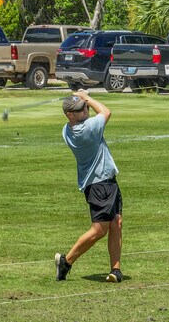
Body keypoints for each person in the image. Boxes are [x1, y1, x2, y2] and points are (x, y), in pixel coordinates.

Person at [55, 90, 123, 282]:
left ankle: (115, 270)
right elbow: (106, 112)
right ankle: (66, 261)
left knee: (116, 222)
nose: (85, 110)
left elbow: (93, 114)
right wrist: (87, 97)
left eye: (84, 107)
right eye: (81, 109)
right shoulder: (86, 130)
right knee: (99, 229)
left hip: (106, 180)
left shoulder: (67, 129)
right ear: (70, 115)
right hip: (99, 184)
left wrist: (80, 99)